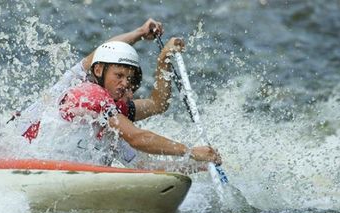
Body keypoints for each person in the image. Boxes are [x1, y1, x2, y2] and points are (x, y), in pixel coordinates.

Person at [13, 19, 221, 170]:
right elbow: (137, 138)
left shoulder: (113, 115)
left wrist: (163, 61)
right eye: (119, 76)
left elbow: (158, 105)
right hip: (17, 156)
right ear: (98, 71)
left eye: (129, 80)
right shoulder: (87, 93)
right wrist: (191, 151)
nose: (125, 84)